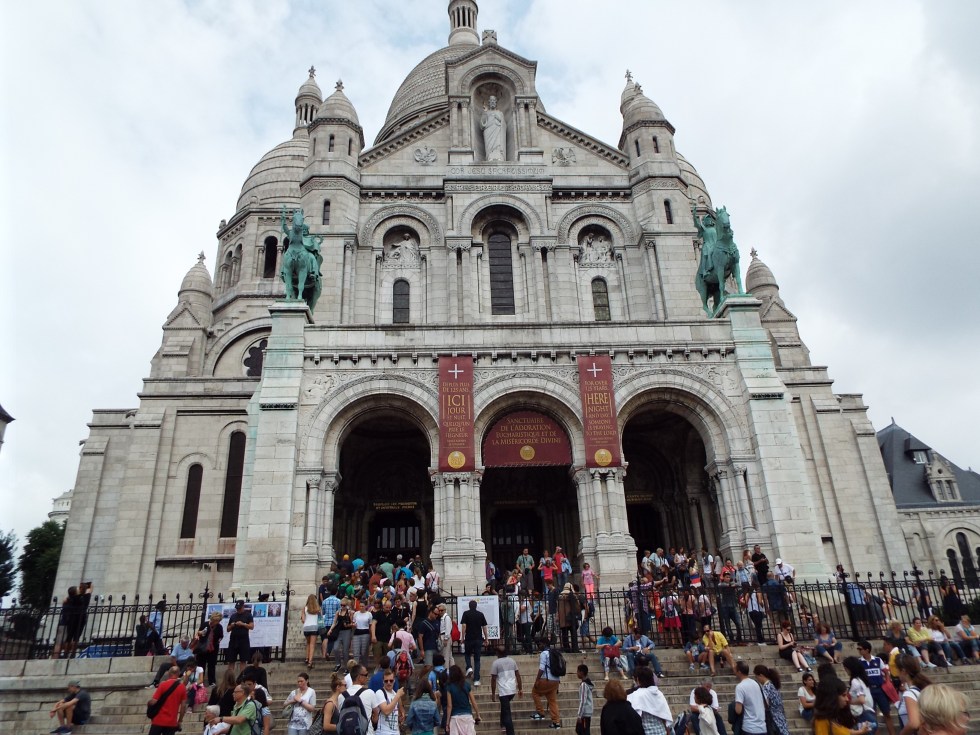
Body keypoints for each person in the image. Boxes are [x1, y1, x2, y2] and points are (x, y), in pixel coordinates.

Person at [857, 639, 897, 735]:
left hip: (880, 689)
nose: (859, 651)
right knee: (872, 715)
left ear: (867, 650)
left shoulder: (878, 660)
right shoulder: (859, 662)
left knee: (887, 713)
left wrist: (887, 681)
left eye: (860, 649)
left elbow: (885, 671)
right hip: (868, 690)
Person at [627, 666, 673, 735]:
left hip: (646, 732)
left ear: (638, 679)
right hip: (661, 731)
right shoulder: (659, 693)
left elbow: (635, 718)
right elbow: (664, 716)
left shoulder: (637, 695)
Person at [531, 635, 563, 729]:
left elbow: (541, 668)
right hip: (556, 680)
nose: (538, 645)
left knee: (535, 692)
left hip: (546, 679)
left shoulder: (544, 654)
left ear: (544, 644)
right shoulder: (554, 652)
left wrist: (537, 680)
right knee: (552, 701)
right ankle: (556, 722)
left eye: (539, 644)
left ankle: (540, 712)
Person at [897, 654, 932, 735]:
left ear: (903, 671)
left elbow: (914, 724)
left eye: (897, 670)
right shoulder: (923, 688)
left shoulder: (909, 694)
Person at [147, 665, 187, 735]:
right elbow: (183, 706)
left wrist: (148, 703)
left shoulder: (163, 685)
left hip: (158, 720)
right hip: (171, 722)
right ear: (178, 674)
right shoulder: (182, 687)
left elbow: (154, 702)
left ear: (169, 673)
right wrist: (180, 721)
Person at [732, 661, 767, 735]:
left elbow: (738, 710)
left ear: (739, 672)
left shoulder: (740, 687)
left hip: (749, 727)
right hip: (762, 726)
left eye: (735, 669)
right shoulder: (756, 683)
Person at [445, 664, 481, 735]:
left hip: (455, 717)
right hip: (467, 716)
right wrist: (478, 715)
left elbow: (449, 706)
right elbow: (473, 702)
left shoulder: (449, 687)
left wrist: (447, 722)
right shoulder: (466, 685)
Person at [345, 664, 381, 735]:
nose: (367, 677)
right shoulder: (370, 693)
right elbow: (376, 715)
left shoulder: (342, 696)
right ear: (359, 677)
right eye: (366, 675)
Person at [459, 599, 489, 685]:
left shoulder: (466, 614)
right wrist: (486, 638)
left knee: (467, 654)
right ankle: (476, 679)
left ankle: (469, 667)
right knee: (477, 659)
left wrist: (462, 638)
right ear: (476, 606)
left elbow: (464, 626)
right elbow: (484, 627)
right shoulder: (480, 614)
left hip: (469, 638)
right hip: (478, 638)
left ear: (469, 606)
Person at [375, 669, 406, 735]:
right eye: (386, 681)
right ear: (383, 681)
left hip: (396, 731)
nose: (389, 683)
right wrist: (397, 696)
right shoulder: (379, 693)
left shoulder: (395, 694)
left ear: (394, 681)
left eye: (391, 681)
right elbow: (386, 711)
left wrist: (401, 716)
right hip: (383, 732)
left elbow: (400, 711)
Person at [226, 601, 254, 673]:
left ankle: (242, 678)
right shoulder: (233, 616)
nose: (238, 610)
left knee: (243, 660)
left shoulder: (248, 615)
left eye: (239, 608)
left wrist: (243, 624)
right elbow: (228, 629)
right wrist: (232, 625)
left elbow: (251, 626)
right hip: (233, 640)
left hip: (243, 640)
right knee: (231, 660)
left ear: (243, 607)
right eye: (237, 608)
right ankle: (230, 678)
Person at [328, 598, 355, 671]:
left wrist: (348, 625)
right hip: (338, 631)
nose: (342, 606)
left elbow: (353, 623)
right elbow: (334, 622)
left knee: (345, 650)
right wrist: (330, 629)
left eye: (344, 605)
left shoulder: (349, 612)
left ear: (346, 605)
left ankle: (346, 666)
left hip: (347, 631)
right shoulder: (338, 612)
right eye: (341, 605)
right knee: (336, 648)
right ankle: (338, 663)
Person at [558, 582, 582, 653]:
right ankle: (575, 648)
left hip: (562, 618)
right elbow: (577, 606)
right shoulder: (571, 594)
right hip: (570, 617)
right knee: (573, 634)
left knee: (564, 635)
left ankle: (567, 648)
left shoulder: (560, 595)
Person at [480, 95, 505, 161]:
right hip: (488, 131)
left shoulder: (499, 113)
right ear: (489, 103)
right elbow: (482, 123)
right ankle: (489, 157)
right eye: (491, 101)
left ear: (496, 103)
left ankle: (499, 157)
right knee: (489, 146)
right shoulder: (486, 112)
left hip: (497, 130)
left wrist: (498, 118)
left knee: (497, 144)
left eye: (494, 101)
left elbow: (503, 124)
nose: (493, 102)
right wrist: (484, 113)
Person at [301, 594, 321, 669]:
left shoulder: (304, 608)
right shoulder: (318, 608)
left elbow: (303, 620)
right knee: (312, 644)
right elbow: (320, 618)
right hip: (314, 627)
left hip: (306, 627)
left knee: (308, 643)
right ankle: (310, 661)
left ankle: (307, 658)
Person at [575, 664, 595, 735]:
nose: (577, 673)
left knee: (582, 731)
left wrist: (579, 715)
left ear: (581, 672)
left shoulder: (584, 685)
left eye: (577, 671)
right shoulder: (588, 683)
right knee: (584, 731)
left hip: (585, 713)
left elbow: (583, 701)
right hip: (587, 712)